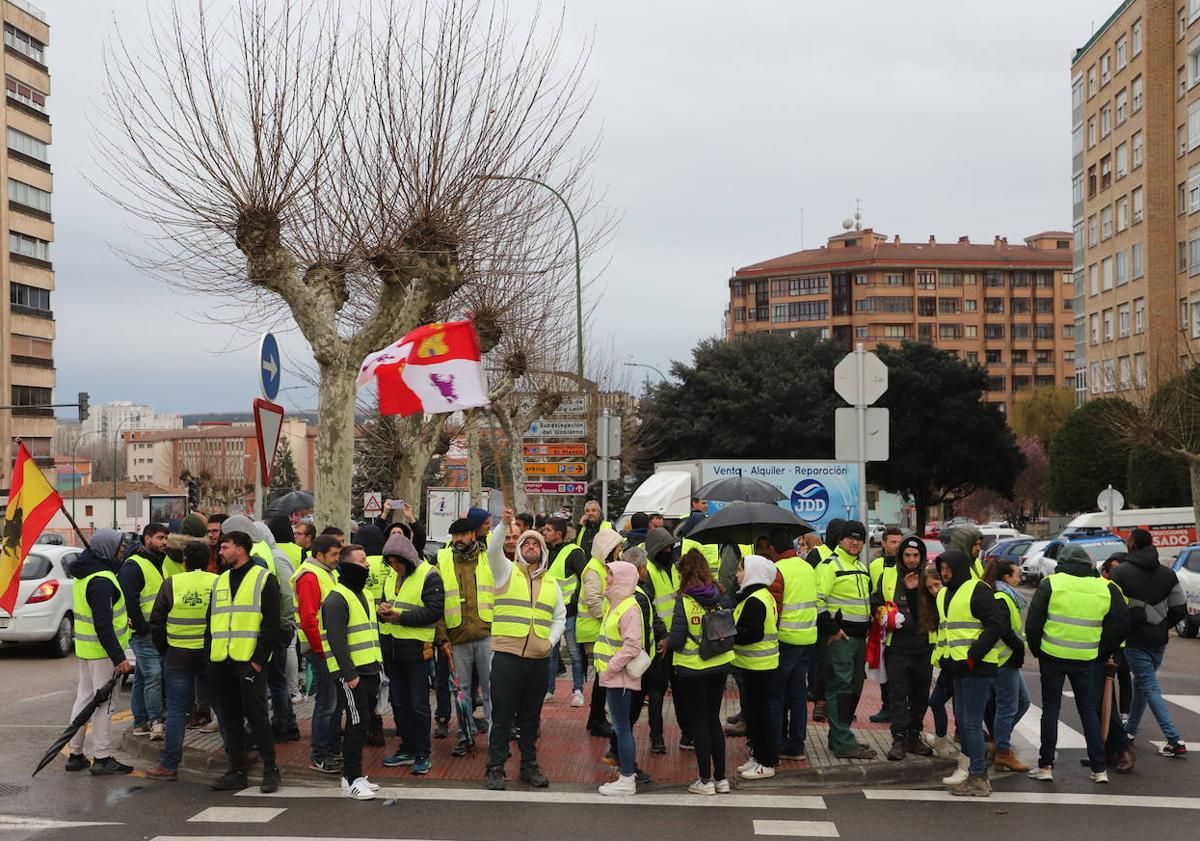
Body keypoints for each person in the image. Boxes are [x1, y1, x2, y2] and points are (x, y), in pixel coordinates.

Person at [1024, 543, 1128, 785]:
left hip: (1052, 655)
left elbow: (1034, 623)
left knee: (1050, 710)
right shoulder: (1106, 588)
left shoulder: (1051, 583)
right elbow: (1120, 625)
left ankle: (1046, 765)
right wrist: (1101, 651)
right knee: (1088, 710)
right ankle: (1099, 768)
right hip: (1086, 658)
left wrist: (1038, 651)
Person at [483, 510, 566, 790]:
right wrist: (504, 525)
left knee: (531, 718)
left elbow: (560, 618)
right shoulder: (504, 571)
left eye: (536, 544)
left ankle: (529, 766)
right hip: (507, 656)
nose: (531, 547)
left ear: (543, 552)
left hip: (538, 659)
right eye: (526, 544)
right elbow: (493, 548)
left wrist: (550, 642)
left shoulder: (552, 584)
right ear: (518, 549)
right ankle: (495, 767)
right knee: (503, 716)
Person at [207, 530, 282, 794]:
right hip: (221, 661)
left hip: (248, 662)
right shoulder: (220, 580)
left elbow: (273, 624)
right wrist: (210, 658)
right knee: (230, 719)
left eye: (225, 547)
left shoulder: (264, 579)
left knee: (258, 716)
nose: (221, 552)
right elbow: (211, 621)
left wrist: (258, 662)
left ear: (241, 549)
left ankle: (271, 769)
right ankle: (236, 770)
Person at [935, 549, 1014, 797]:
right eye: (942, 569)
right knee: (964, 721)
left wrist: (973, 656)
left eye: (948, 569)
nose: (944, 573)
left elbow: (997, 624)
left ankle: (979, 778)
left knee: (970, 723)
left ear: (959, 568)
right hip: (958, 667)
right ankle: (974, 774)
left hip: (976, 667)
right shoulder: (947, 594)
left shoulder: (977, 590)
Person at [1112, 528, 1189, 757]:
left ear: (1133, 545)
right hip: (1159, 641)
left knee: (1149, 687)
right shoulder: (1168, 574)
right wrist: (1162, 625)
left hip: (1134, 641)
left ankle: (1174, 740)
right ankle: (1130, 732)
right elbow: (1180, 609)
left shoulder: (1121, 573)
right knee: (1142, 686)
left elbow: (1115, 610)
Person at [64, 529, 135, 775]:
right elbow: (102, 623)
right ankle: (103, 758)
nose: (123, 552)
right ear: (108, 549)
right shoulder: (102, 579)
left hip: (87, 649)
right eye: (120, 548)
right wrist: (119, 658)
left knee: (84, 700)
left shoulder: (85, 574)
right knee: (105, 705)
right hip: (103, 653)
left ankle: (75, 753)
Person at [145, 541, 218, 780]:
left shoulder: (172, 584)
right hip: (210, 654)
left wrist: (164, 649)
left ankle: (169, 765)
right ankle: (239, 754)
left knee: (177, 710)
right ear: (208, 560)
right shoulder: (217, 583)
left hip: (178, 655)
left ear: (184, 561)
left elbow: (156, 621)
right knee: (221, 706)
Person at [320, 543, 384, 801]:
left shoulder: (365, 594)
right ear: (348, 566)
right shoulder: (336, 599)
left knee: (363, 722)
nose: (367, 565)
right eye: (362, 561)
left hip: (368, 669)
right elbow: (337, 641)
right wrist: (350, 675)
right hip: (352, 674)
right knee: (357, 723)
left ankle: (353, 776)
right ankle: (352, 778)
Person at [378, 533, 444, 775]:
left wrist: (401, 617)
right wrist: (382, 610)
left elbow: (435, 612)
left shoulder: (429, 575)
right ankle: (407, 747)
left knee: (418, 704)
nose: (395, 567)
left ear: (408, 558)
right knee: (400, 702)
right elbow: (388, 602)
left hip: (417, 649)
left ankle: (423, 751)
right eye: (391, 563)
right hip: (393, 649)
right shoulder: (391, 577)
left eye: (398, 562)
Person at [669, 549, 734, 795]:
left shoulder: (684, 601)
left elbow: (676, 640)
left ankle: (705, 780)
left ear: (683, 573)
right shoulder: (722, 595)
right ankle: (721, 779)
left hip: (693, 668)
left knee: (699, 723)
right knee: (713, 720)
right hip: (719, 664)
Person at [871, 535, 937, 761]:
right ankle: (898, 739)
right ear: (901, 556)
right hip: (897, 646)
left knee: (920, 695)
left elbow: (939, 608)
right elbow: (874, 603)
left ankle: (913, 736)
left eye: (916, 555)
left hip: (923, 646)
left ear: (922, 557)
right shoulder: (887, 575)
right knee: (897, 694)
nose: (911, 559)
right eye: (907, 555)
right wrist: (886, 615)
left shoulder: (930, 578)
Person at [815, 520, 876, 759]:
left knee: (853, 689)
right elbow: (818, 602)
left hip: (859, 638)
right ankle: (842, 742)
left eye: (859, 538)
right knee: (840, 689)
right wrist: (832, 630)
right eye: (850, 537)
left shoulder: (861, 567)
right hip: (840, 638)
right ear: (840, 539)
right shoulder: (829, 566)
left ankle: (840, 736)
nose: (855, 542)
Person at [437, 518, 494, 757]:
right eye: (454, 536)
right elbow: (436, 601)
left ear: (473, 534)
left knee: (492, 690)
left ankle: (495, 737)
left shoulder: (489, 558)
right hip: (457, 637)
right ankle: (464, 735)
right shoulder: (442, 560)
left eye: (462, 535)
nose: (458, 540)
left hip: (486, 634)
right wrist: (442, 638)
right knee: (461, 691)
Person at [291, 533, 344, 775]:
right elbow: (309, 619)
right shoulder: (311, 576)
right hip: (320, 649)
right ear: (320, 555)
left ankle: (330, 748)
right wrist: (322, 650)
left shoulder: (324, 573)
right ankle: (320, 754)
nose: (337, 559)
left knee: (331, 703)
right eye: (333, 555)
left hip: (325, 648)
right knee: (327, 704)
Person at [763, 528, 817, 763]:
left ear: (773, 549)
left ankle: (775, 743)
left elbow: (774, 608)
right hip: (807, 639)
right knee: (797, 696)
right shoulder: (807, 566)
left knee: (775, 696)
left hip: (785, 640)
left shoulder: (777, 570)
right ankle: (796, 745)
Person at [596, 559, 649, 796]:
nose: (606, 578)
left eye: (610, 575)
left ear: (622, 580)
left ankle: (627, 778)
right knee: (621, 727)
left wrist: (610, 669)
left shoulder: (628, 607)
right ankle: (626, 776)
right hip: (616, 678)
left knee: (622, 728)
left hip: (620, 678)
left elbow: (632, 646)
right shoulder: (616, 604)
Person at [120, 522, 170, 741]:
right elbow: (129, 599)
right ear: (147, 539)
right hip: (145, 632)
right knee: (154, 675)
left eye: (166, 538)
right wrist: (141, 627)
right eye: (160, 538)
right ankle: (155, 721)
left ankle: (140, 721)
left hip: (155, 630)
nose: (165, 542)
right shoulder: (134, 565)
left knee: (142, 676)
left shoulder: (159, 562)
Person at [252, 520, 300, 744]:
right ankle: (286, 722)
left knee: (276, 681)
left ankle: (284, 724)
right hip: (280, 626)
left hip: (279, 628)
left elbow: (287, 595)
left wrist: (284, 624)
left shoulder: (276, 557)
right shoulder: (274, 555)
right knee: (276, 679)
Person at [733, 554, 781, 779]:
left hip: (759, 665)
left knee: (761, 716)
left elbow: (752, 634)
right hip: (755, 665)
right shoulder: (756, 596)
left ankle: (767, 762)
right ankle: (758, 756)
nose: (737, 574)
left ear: (752, 573)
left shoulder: (755, 600)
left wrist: (727, 633)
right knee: (755, 714)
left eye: (741, 570)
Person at [576, 517, 624, 738]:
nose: (620, 551)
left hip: (598, 629)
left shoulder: (602, 566)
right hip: (594, 630)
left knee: (602, 677)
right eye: (617, 548)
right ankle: (597, 719)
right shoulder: (594, 570)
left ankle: (595, 718)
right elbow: (595, 603)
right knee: (602, 678)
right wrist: (612, 620)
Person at [982, 559, 1031, 772]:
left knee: (1022, 703)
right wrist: (1019, 648)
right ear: (1006, 577)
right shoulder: (1002, 597)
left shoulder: (1006, 595)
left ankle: (999, 742)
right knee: (1008, 707)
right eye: (1016, 574)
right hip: (1004, 660)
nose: (1019, 577)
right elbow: (1002, 628)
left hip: (1007, 659)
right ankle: (1002, 750)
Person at [642, 527, 684, 753]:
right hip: (659, 643)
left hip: (675, 641)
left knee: (681, 692)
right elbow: (651, 609)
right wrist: (663, 636)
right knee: (656, 693)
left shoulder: (673, 568)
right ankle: (656, 737)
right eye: (665, 547)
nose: (669, 550)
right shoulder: (649, 571)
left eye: (671, 546)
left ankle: (687, 734)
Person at [544, 517, 589, 706]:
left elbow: (585, 578)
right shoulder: (545, 552)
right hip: (549, 612)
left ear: (559, 534)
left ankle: (578, 690)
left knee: (574, 652)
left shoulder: (574, 552)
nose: (544, 533)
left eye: (547, 530)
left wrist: (576, 602)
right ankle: (548, 690)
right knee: (551, 653)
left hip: (569, 612)